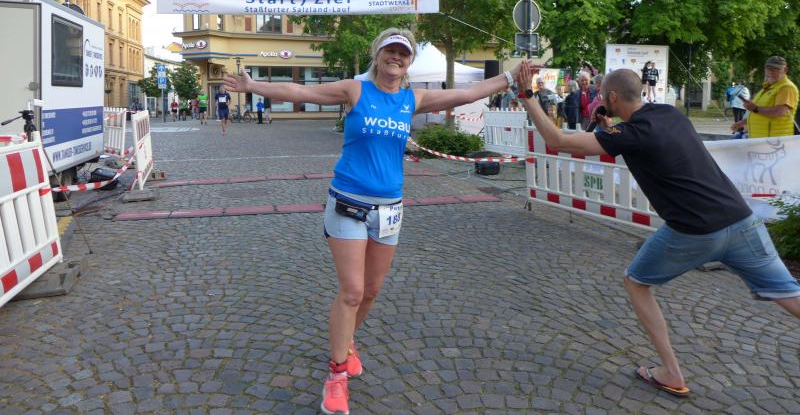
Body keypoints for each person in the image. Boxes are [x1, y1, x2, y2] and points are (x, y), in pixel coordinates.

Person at [223, 28, 523, 415]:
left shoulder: (413, 99)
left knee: (371, 291)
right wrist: (253, 86)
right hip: (348, 202)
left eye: (403, 53)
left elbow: (467, 94)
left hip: (389, 209)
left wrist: (510, 76)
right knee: (351, 291)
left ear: (409, 62)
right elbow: (301, 92)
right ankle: (336, 375)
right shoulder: (355, 90)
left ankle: (346, 339)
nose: (396, 57)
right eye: (389, 51)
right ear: (377, 55)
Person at [516, 64, 800, 399]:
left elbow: (557, 140)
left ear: (611, 97)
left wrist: (528, 96)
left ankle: (671, 372)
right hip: (741, 220)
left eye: (603, 96)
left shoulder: (630, 134)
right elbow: (645, 139)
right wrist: (610, 129)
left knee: (636, 283)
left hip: (694, 230)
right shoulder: (670, 114)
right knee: (788, 294)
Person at [732, 56, 798, 138]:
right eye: (768, 68)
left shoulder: (786, 87)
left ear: (785, 70)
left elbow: (779, 111)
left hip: (774, 141)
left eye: (776, 69)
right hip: (763, 139)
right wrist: (743, 122)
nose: (771, 72)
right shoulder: (767, 88)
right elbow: (760, 113)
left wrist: (755, 108)